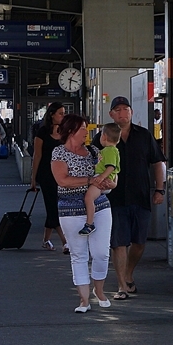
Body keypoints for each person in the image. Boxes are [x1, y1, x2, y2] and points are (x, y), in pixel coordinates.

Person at [94, 96, 166, 300]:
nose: (122, 113)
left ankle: (128, 273)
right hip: (114, 199)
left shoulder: (144, 135)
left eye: (126, 109)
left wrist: (159, 190)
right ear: (111, 114)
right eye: (117, 110)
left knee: (139, 242)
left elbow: (157, 162)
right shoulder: (102, 137)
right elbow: (93, 162)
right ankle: (122, 286)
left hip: (140, 195)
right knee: (119, 242)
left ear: (132, 112)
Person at [52, 113, 115, 313]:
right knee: (78, 255)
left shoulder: (94, 150)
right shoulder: (59, 152)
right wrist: (90, 180)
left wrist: (110, 183)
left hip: (100, 205)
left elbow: (111, 174)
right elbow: (62, 180)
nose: (86, 132)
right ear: (71, 131)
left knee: (101, 253)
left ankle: (99, 290)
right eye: (82, 129)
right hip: (70, 209)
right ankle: (84, 300)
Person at [30, 102, 70, 255]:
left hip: (62, 175)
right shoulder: (42, 132)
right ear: (52, 114)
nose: (63, 116)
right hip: (46, 174)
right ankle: (65, 242)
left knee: (54, 207)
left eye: (64, 113)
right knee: (54, 207)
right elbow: (37, 155)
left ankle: (46, 240)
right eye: (60, 113)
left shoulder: (65, 132)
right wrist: (33, 178)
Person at [82, 123, 121, 235]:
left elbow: (111, 167)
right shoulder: (111, 150)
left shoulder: (109, 150)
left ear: (104, 136)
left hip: (102, 179)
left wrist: (101, 177)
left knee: (88, 198)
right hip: (105, 179)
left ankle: (90, 223)